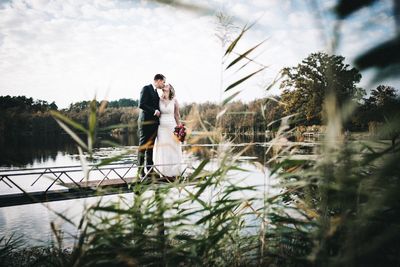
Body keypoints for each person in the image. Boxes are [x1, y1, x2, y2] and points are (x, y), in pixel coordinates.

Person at [137, 74, 165, 178]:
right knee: (143, 146)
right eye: (163, 82)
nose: (163, 84)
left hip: (154, 124)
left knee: (150, 147)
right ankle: (140, 171)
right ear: (158, 80)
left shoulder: (155, 92)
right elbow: (142, 104)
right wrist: (154, 111)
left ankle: (149, 169)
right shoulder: (146, 88)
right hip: (145, 123)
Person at [153, 84, 183, 177]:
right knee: (163, 148)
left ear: (170, 89)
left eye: (166, 85)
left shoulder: (174, 101)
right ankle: (163, 171)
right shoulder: (159, 100)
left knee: (173, 147)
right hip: (161, 127)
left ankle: (174, 171)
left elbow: (177, 115)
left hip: (172, 126)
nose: (164, 85)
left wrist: (179, 128)